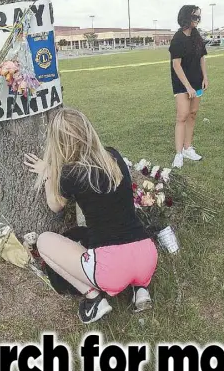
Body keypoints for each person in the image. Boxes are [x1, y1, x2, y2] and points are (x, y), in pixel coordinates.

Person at [24, 107, 158, 324]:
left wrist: (49, 172)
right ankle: (140, 289)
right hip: (146, 254)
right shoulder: (113, 156)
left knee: (44, 241)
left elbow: (54, 206)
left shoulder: (69, 174)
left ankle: (93, 300)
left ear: (58, 142)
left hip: (112, 268)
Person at [169, 5, 209, 169]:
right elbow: (176, 65)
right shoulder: (178, 39)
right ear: (186, 17)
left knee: (192, 114)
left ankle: (188, 148)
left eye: (199, 17)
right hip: (182, 85)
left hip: (197, 82)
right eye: (194, 17)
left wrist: (205, 77)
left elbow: (202, 58)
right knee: (182, 115)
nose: (197, 20)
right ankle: (178, 154)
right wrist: (188, 87)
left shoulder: (197, 36)